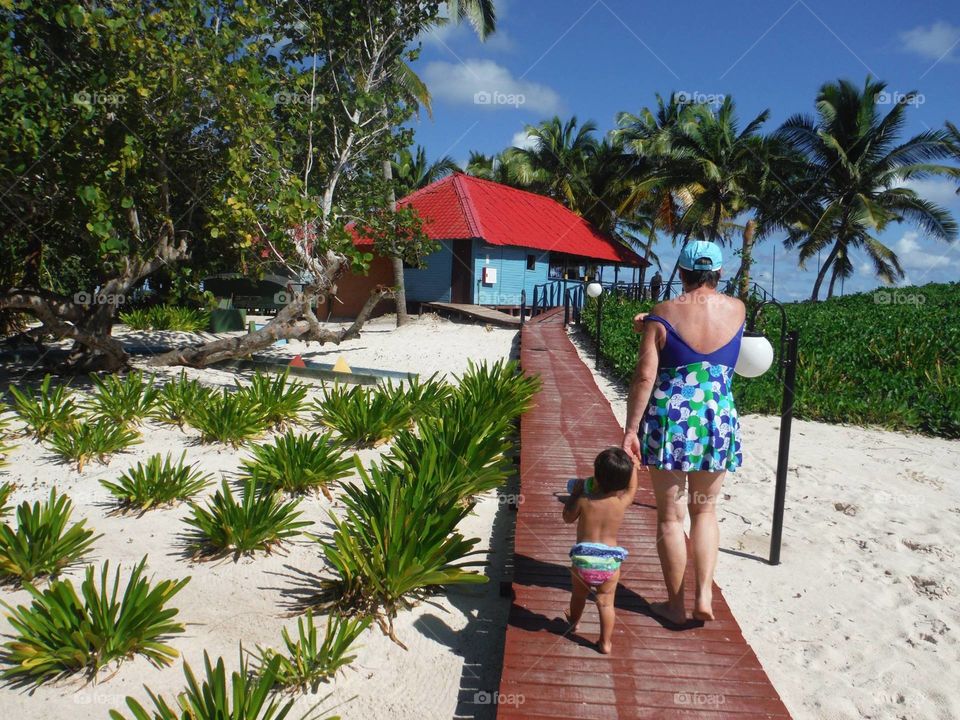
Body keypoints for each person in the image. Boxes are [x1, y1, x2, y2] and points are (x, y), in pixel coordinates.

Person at [622, 240, 745, 626]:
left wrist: (630, 429)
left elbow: (645, 375)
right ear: (720, 273)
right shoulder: (739, 309)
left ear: (681, 273)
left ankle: (675, 606)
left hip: (671, 420)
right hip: (716, 418)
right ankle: (704, 594)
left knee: (671, 518)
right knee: (705, 510)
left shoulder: (663, 313)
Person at [563, 447, 639, 654]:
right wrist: (632, 466)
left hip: (583, 560)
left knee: (578, 596)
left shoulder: (585, 501)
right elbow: (632, 489)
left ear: (595, 476)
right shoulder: (621, 503)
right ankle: (605, 642)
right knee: (606, 604)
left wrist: (575, 494)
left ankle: (573, 622)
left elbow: (567, 518)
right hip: (609, 562)